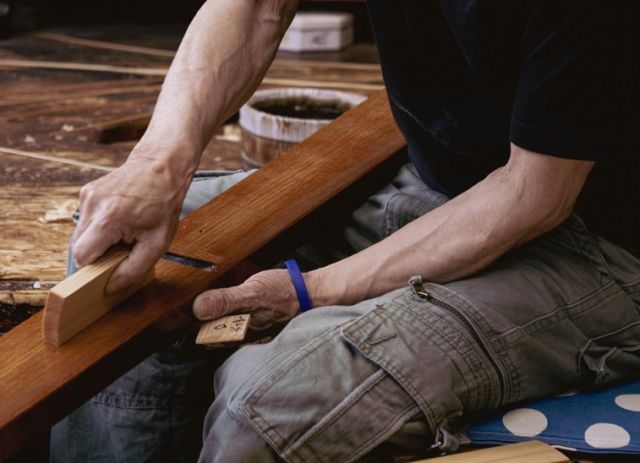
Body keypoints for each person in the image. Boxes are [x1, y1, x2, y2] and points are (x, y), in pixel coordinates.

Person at [51, 1, 640, 462]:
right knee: (118, 255)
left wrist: (311, 290)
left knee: (266, 402)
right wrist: (157, 163)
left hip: (593, 245)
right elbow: (257, 5)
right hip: (444, 180)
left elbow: (532, 196)